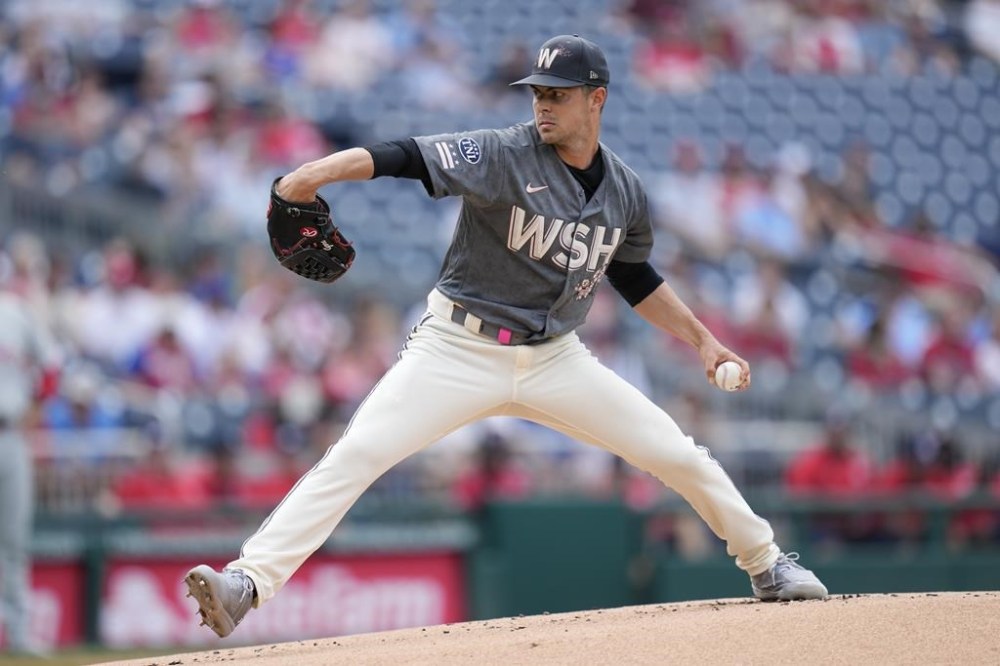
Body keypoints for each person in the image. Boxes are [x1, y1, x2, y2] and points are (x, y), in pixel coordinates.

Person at [184, 34, 828, 639]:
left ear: (596, 99)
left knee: (678, 454)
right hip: (456, 348)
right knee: (356, 456)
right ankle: (247, 582)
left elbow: (634, 279)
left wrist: (703, 341)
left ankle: (767, 564)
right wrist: (309, 176)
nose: (543, 104)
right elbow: (404, 155)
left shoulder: (626, 191)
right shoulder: (503, 152)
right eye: (538, 93)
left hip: (556, 358)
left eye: (558, 93)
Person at [0, 260, 59, 656]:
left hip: (9, 433)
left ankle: (18, 633)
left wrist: (35, 408)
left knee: (13, 539)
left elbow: (52, 366)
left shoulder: (14, 311)